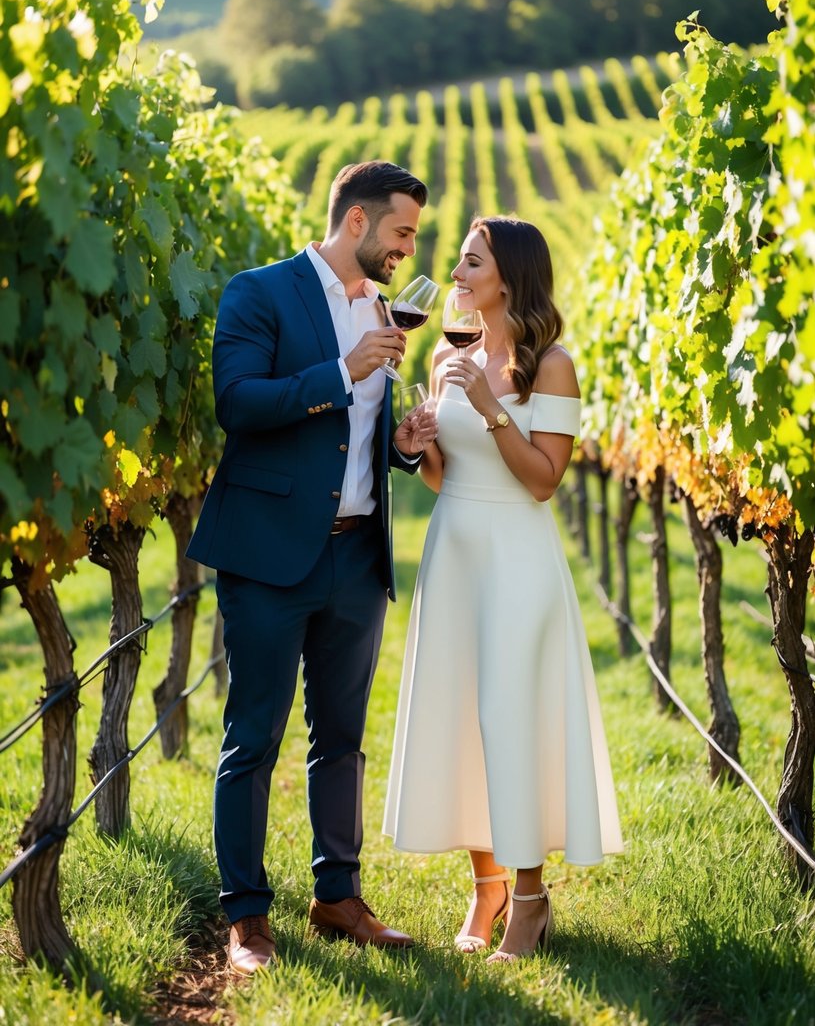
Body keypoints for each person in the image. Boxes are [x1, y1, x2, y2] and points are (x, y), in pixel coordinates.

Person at [187, 160, 433, 975]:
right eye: (400, 232)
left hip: (356, 557)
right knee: (252, 736)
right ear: (356, 223)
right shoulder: (258, 292)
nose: (406, 249)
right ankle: (247, 921)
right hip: (266, 556)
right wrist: (341, 372)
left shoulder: (379, 310)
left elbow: (356, 433)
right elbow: (239, 404)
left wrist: (397, 449)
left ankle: (338, 897)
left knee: (342, 739)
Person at [383, 216, 623, 962]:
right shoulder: (450, 354)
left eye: (470, 262)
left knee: (506, 716)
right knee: (462, 717)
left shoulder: (552, 365)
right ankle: (485, 886)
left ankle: (529, 898)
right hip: (453, 548)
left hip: (517, 556)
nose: (455, 273)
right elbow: (442, 478)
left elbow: (544, 481)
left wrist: (488, 412)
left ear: (508, 278)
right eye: (457, 261)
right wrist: (416, 445)